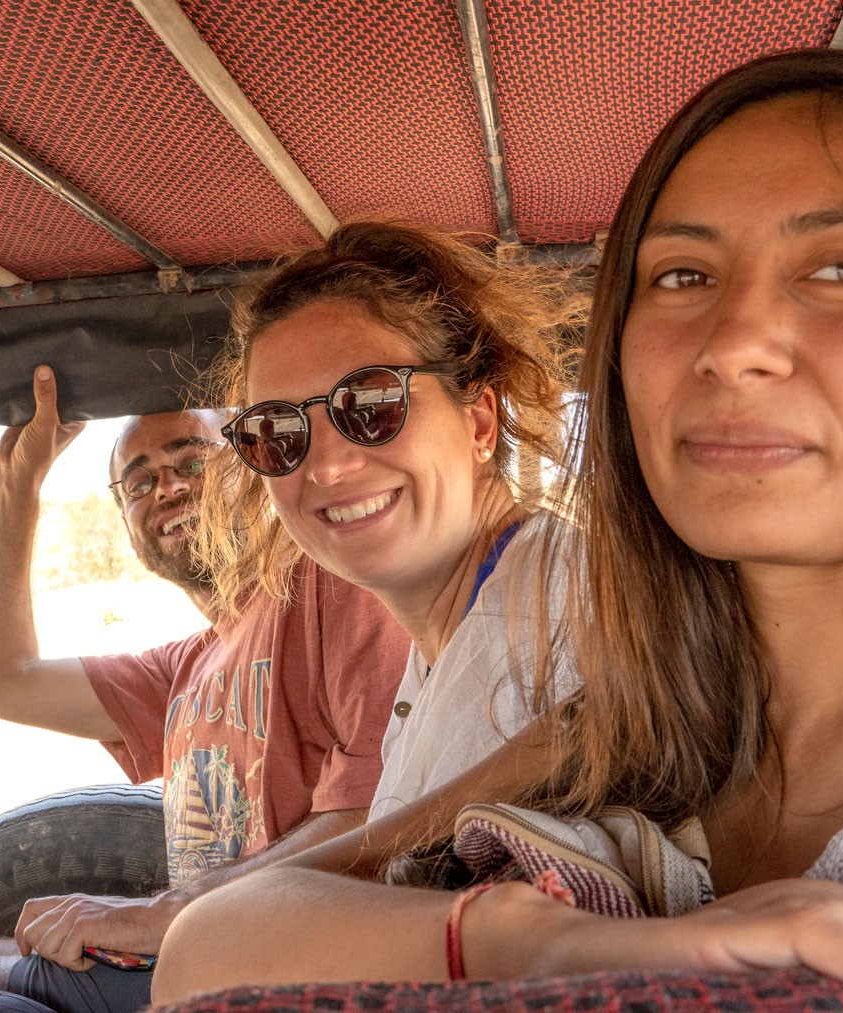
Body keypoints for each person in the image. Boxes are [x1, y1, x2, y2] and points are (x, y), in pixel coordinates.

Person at [153, 48, 843, 1013]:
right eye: (683, 275)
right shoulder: (641, 714)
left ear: (481, 422)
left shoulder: (549, 627)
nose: (734, 342)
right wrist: (547, 942)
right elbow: (216, 944)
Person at [0, 367, 409, 1013]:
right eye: (139, 481)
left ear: (250, 467)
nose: (168, 487)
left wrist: (164, 909)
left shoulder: (325, 586)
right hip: (200, 949)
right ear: (125, 519)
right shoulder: (183, 667)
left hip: (293, 969)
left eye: (191, 459)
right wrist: (17, 479)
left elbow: (389, 816)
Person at [195, 220, 578, 825]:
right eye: (279, 431)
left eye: (371, 405)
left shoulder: (570, 615)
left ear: (479, 422)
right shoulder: (447, 651)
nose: (326, 467)